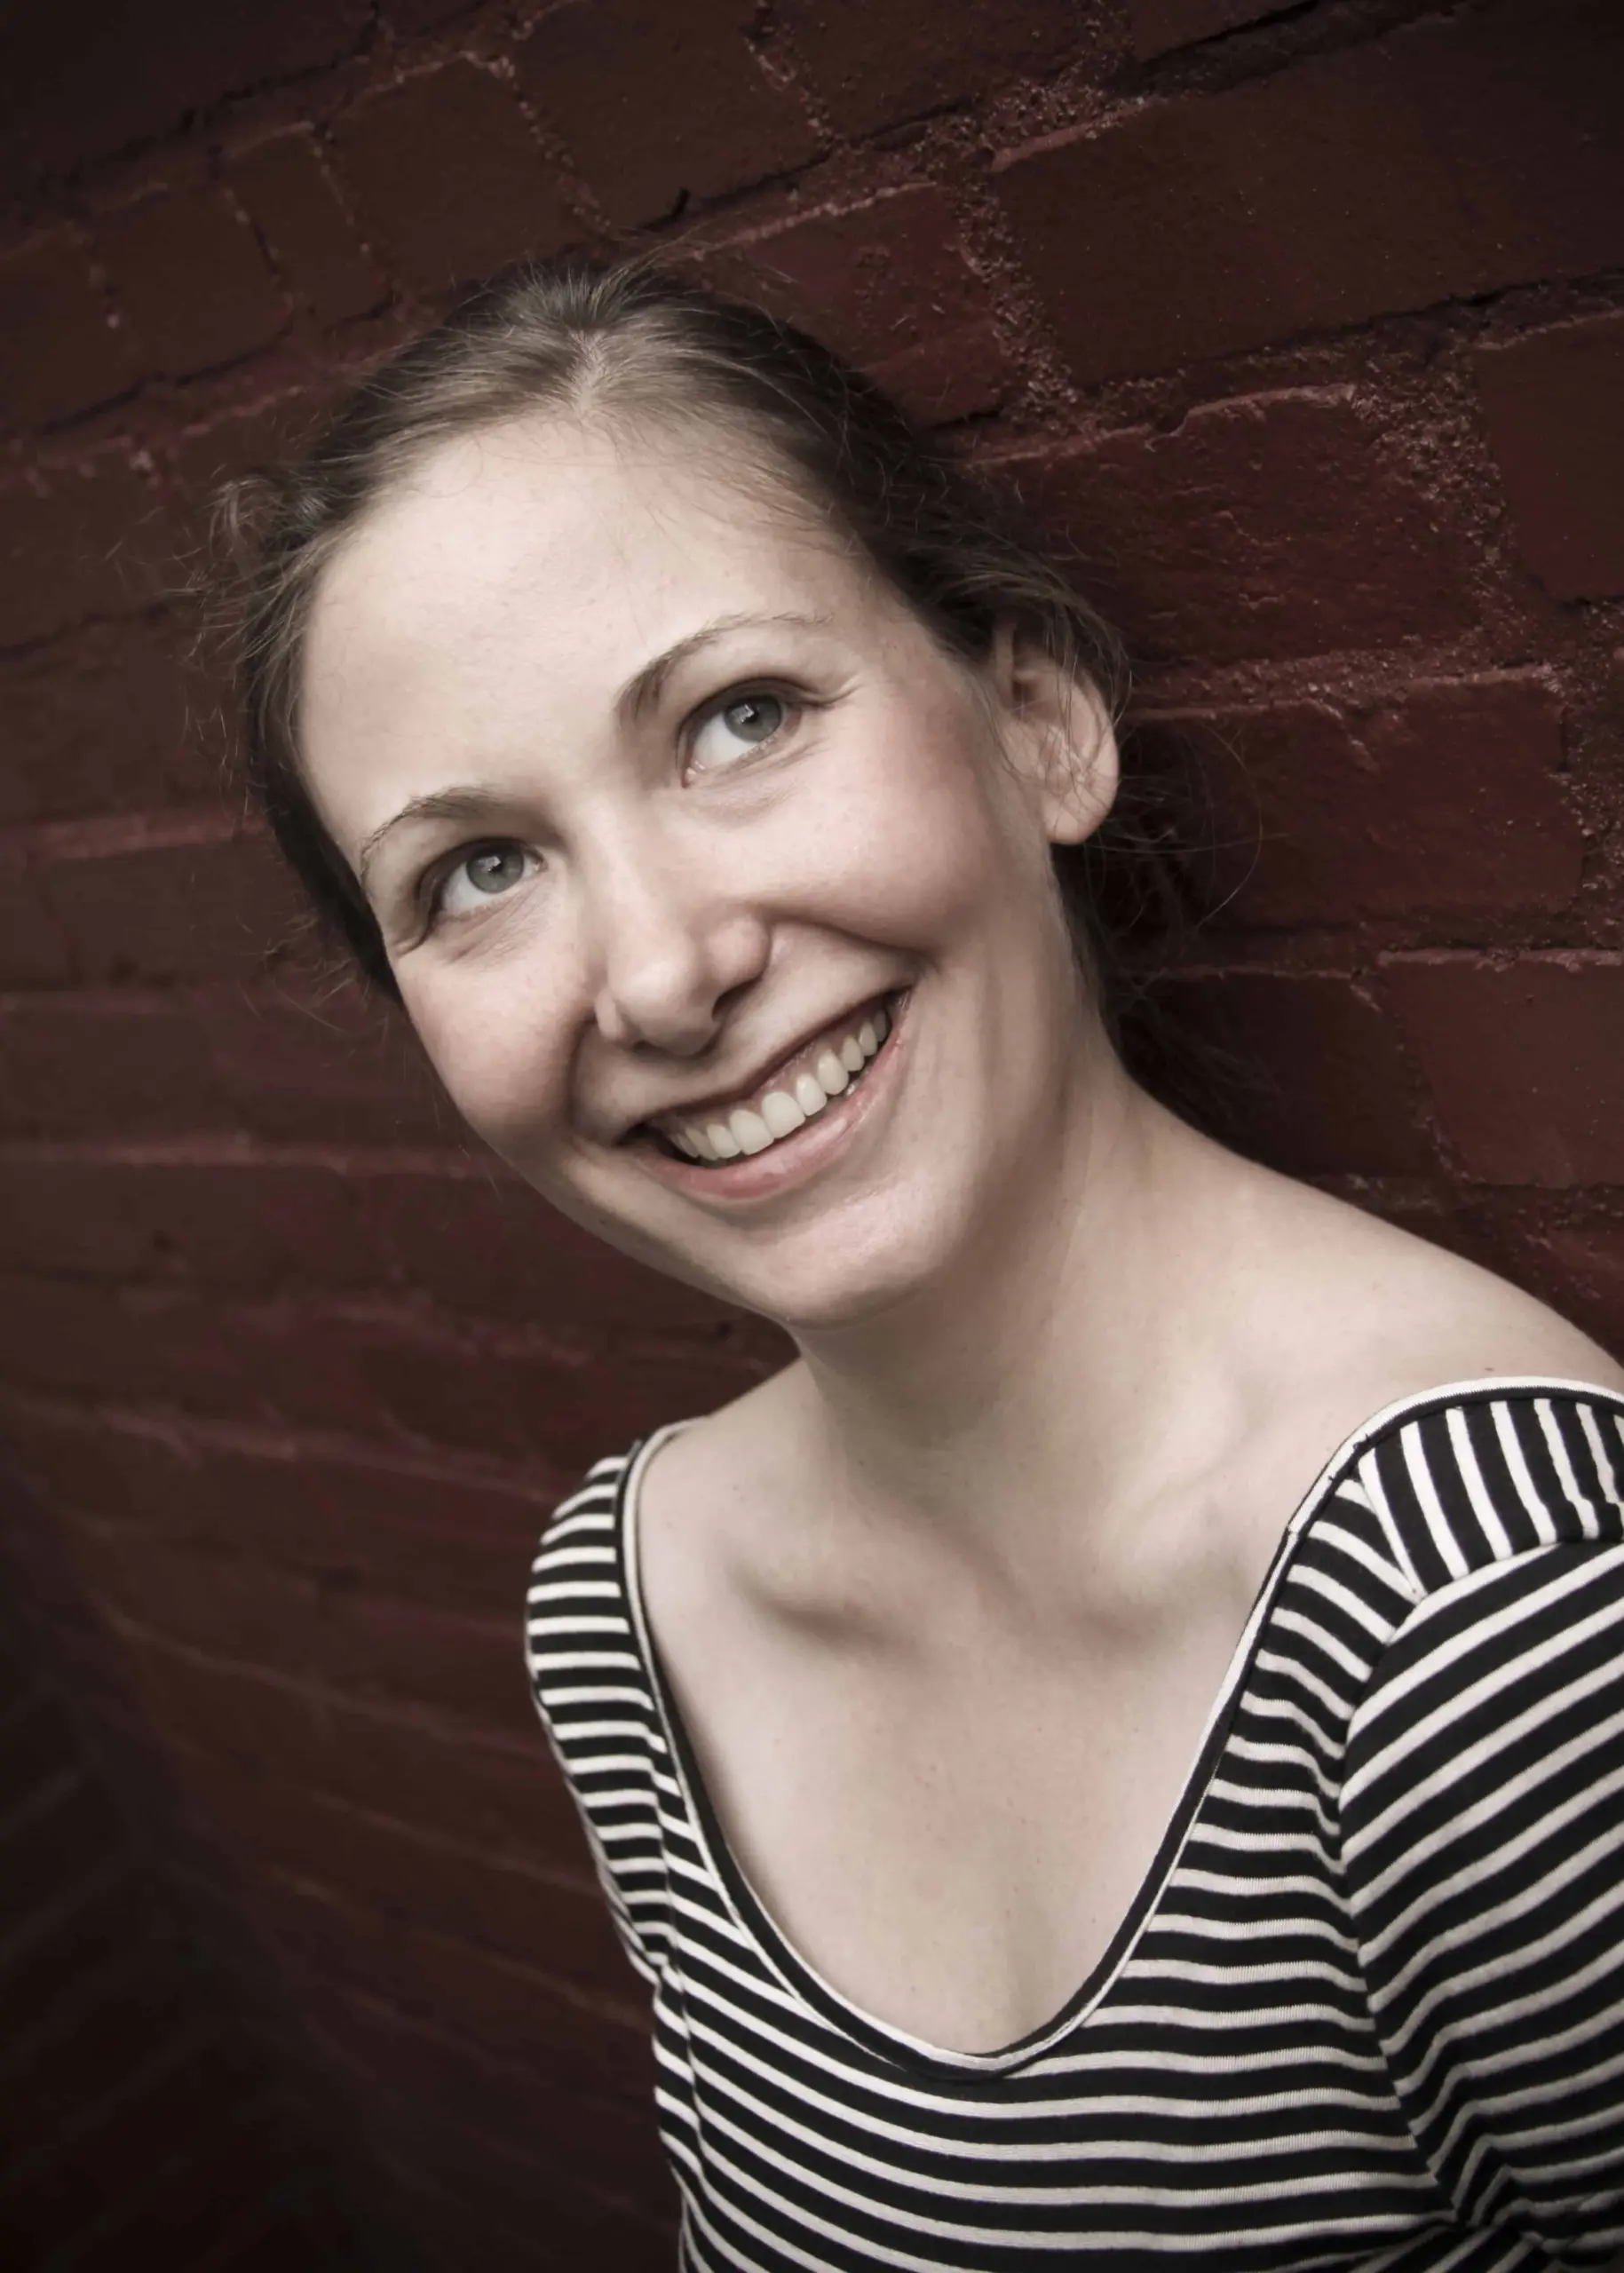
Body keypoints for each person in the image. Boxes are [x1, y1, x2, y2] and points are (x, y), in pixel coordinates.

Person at [225, 260, 1624, 2270]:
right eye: (477, 870)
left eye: (739, 716)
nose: (660, 968)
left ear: (1038, 724)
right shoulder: (630, 1603)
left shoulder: (1482, 1612)